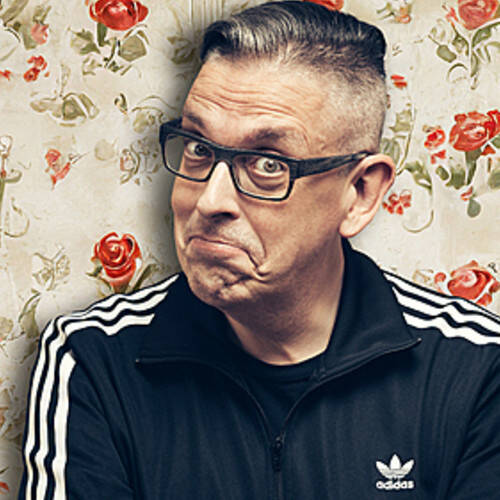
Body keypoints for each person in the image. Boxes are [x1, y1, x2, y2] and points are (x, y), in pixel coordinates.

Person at [18, 1, 500, 499]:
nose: (210, 201)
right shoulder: (94, 357)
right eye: (199, 148)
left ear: (359, 193)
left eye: (268, 164)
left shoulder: (477, 368)